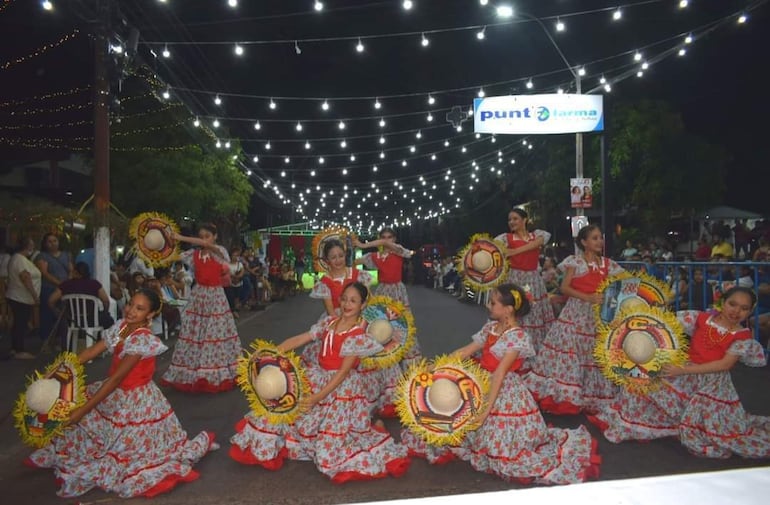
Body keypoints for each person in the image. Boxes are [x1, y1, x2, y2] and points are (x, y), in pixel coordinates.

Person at [25, 289, 217, 498]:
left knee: (124, 451)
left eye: (139, 308)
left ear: (150, 315)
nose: (131, 311)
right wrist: (56, 372)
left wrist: (81, 412)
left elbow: (116, 379)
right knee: (83, 419)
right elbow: (91, 351)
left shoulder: (143, 339)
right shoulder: (125, 329)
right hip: (115, 391)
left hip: (136, 400)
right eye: (130, 304)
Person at [402, 283, 600, 484]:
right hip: (485, 381)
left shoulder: (518, 336)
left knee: (503, 448)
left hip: (505, 389)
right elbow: (464, 352)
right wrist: (435, 367)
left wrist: (486, 410)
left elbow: (499, 374)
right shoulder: (491, 328)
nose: (488, 305)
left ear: (508, 309)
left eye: (493, 302)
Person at [229, 282, 411, 483]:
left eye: (353, 301)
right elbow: (300, 339)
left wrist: (317, 397)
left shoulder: (358, 335)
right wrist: (271, 354)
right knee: (280, 410)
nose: (347, 304)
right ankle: (372, 422)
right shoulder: (329, 323)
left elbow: (343, 373)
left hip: (341, 388)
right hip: (318, 376)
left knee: (328, 451)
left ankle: (373, 426)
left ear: (362, 305)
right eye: (344, 299)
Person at [588, 287, 770, 458]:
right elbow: (662, 322)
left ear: (750, 311)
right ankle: (641, 425)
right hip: (686, 370)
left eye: (744, 308)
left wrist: (683, 370)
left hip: (711, 382)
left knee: (707, 425)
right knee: (640, 380)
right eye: (732, 304)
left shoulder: (743, 336)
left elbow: (724, 365)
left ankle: (676, 423)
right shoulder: (700, 318)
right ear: (722, 302)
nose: (736, 311)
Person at [525, 225, 625, 414]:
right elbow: (564, 288)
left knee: (593, 355)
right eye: (594, 238)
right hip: (576, 314)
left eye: (600, 238)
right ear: (584, 242)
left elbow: (623, 283)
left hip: (598, 316)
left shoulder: (609, 264)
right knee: (572, 352)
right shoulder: (575, 262)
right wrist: (587, 297)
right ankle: (569, 395)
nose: (599, 242)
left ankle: (589, 394)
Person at [160, 223, 241, 393]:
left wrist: (180, 237)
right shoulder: (193, 255)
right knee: (195, 334)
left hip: (215, 297)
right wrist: (160, 245)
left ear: (215, 236)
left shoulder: (220, 252)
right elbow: (171, 257)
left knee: (214, 334)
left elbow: (209, 248)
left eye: (207, 236)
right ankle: (193, 373)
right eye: (201, 236)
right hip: (199, 297)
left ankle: (213, 374)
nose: (204, 240)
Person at [495, 208, 555, 360]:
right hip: (514, 279)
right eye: (509, 220)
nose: (512, 222)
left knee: (533, 313)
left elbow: (535, 244)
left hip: (533, 280)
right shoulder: (505, 238)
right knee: (515, 312)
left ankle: (533, 352)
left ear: (524, 220)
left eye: (515, 219)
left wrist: (513, 252)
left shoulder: (538, 235)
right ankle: (512, 351)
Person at [48, 262, 114, 338]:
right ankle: (107, 342)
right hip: (91, 319)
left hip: (72, 320)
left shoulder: (65, 285)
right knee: (108, 319)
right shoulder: (94, 284)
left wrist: (58, 313)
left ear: (75, 272)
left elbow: (51, 301)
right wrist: (105, 312)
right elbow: (106, 301)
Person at [6, 237, 41, 359]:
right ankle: (19, 349)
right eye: (31, 244)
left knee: (18, 323)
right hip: (20, 297)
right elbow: (25, 277)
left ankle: (15, 348)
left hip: (18, 296)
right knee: (20, 323)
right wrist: (34, 295)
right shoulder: (20, 260)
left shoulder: (18, 259)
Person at [35, 233, 73, 346]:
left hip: (64, 290)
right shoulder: (42, 256)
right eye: (49, 241)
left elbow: (71, 269)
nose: (52, 244)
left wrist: (68, 282)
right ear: (45, 244)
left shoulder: (66, 255)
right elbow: (45, 273)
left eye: (55, 240)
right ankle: (46, 340)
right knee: (47, 314)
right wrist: (60, 283)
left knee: (62, 315)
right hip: (49, 288)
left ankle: (61, 340)